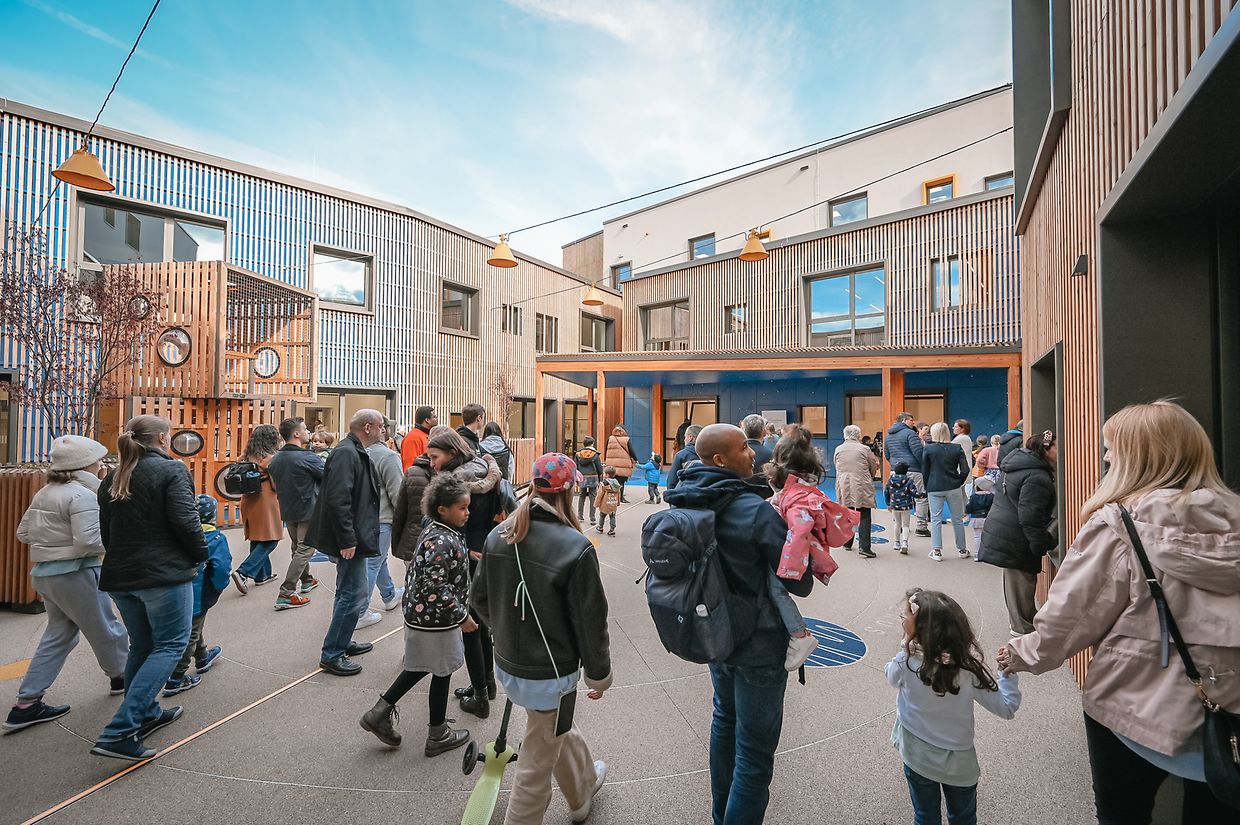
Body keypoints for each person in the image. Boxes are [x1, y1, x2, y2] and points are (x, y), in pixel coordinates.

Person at [998, 401, 1240, 823]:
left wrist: (1022, 654)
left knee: (1122, 814)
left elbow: (1071, 617)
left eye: (1111, 448)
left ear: (1138, 457)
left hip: (1132, 702)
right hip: (1231, 703)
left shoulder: (1118, 524)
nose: (1106, 458)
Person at [663, 424, 813, 824]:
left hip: (714, 634)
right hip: (759, 644)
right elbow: (798, 582)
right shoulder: (754, 510)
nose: (752, 453)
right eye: (744, 447)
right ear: (720, 459)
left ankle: (720, 815)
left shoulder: (684, 501)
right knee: (754, 754)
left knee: (724, 723)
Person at [471, 452, 611, 825]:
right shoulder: (576, 546)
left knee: (551, 725)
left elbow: (478, 600)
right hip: (551, 671)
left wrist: (505, 630)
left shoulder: (499, 534)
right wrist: (598, 674)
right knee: (535, 764)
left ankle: (582, 788)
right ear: (569, 492)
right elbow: (591, 622)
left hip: (509, 663)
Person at [90, 415, 208, 761]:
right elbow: (187, 521)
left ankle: (146, 712)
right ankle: (120, 730)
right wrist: (202, 555)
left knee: (142, 646)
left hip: (121, 575)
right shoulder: (172, 471)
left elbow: (107, 532)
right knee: (170, 645)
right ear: (162, 438)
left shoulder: (112, 478)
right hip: (164, 575)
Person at [5, 436, 127, 732]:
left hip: (46, 574)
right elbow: (89, 542)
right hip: (77, 573)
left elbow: (23, 533)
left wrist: (52, 546)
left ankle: (26, 704)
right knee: (107, 629)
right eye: (97, 460)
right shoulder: (83, 495)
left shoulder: (45, 492)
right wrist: (121, 544)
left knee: (60, 636)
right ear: (85, 464)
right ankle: (124, 678)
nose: (101, 465)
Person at [360, 473, 473, 755]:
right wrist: (461, 616)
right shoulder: (442, 540)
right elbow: (435, 585)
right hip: (436, 619)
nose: (467, 512)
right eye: (462, 508)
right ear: (442, 510)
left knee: (422, 666)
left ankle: (379, 712)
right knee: (442, 670)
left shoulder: (438, 530)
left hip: (423, 615)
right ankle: (438, 734)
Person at [888, 588, 1020, 825]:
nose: (903, 619)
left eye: (905, 616)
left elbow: (890, 676)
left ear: (918, 631)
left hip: (917, 756)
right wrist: (1007, 674)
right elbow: (1006, 707)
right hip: (959, 765)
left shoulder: (906, 662)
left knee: (925, 816)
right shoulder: (967, 670)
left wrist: (906, 646)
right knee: (963, 818)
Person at [767, 426, 856, 670]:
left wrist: (790, 570)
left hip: (794, 556)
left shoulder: (797, 499)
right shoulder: (802, 488)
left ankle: (800, 635)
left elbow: (799, 533)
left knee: (775, 589)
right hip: (803, 548)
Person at [307, 409, 384, 677]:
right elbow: (338, 499)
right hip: (351, 538)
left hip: (353, 535)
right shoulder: (346, 452)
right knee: (353, 593)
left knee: (348, 592)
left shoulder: (351, 450)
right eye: (380, 426)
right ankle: (333, 653)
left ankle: (342, 641)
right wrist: (347, 538)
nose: (383, 431)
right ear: (367, 427)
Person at [979, 431, 1058, 635]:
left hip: (1006, 532)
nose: (1062, 451)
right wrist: (1040, 545)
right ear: (1045, 450)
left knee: (1014, 584)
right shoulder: (1037, 476)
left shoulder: (1018, 466)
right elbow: (1030, 517)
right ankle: (1023, 630)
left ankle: (1020, 624)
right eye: (1057, 447)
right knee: (1021, 586)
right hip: (1017, 537)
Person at [162, 495, 230, 695]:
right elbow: (222, 569)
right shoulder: (216, 539)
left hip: (175, 590)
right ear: (213, 516)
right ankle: (176, 677)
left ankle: (202, 656)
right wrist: (219, 586)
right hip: (199, 593)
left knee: (194, 625)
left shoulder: (179, 536)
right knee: (190, 632)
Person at [267, 416, 326, 610]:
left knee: (297, 547)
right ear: (297, 433)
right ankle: (286, 592)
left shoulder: (276, 459)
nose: (309, 432)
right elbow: (327, 476)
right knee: (305, 548)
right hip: (308, 508)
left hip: (287, 508)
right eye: (305, 429)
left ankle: (307, 579)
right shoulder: (307, 457)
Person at [360, 418, 406, 629]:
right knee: (373, 562)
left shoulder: (359, 452)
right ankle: (361, 611)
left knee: (377, 560)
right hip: (382, 518)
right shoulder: (388, 456)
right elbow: (397, 493)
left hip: (363, 517)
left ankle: (388, 594)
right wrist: (402, 519)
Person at [231, 424, 283, 592]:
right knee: (271, 539)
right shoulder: (271, 459)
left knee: (257, 537)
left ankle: (263, 575)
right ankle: (243, 572)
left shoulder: (245, 456)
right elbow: (276, 485)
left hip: (248, 500)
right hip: (266, 501)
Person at [922, 423, 972, 562]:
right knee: (957, 519)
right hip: (953, 486)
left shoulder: (928, 449)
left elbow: (925, 470)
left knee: (936, 520)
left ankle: (937, 551)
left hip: (934, 486)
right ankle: (962, 549)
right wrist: (959, 481)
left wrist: (927, 486)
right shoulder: (957, 448)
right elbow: (965, 469)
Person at [835, 424, 880, 558]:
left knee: (848, 513)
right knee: (864, 514)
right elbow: (873, 466)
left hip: (843, 483)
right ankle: (864, 547)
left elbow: (836, 465)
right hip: (861, 483)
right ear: (858, 435)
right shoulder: (864, 449)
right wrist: (870, 476)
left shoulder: (839, 449)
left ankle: (847, 542)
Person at [885, 412, 929, 538]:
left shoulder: (888, 436)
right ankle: (921, 527)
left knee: (896, 495)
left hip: (895, 470)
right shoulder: (910, 434)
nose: (913, 422)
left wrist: (895, 465)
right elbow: (918, 452)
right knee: (920, 498)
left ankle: (897, 524)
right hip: (913, 469)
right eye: (911, 420)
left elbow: (887, 455)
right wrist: (924, 466)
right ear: (904, 420)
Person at [885, 461, 918, 555]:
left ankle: (896, 543)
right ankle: (904, 543)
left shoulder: (890, 480)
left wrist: (888, 503)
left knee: (897, 523)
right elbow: (914, 493)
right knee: (906, 525)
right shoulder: (909, 480)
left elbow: (886, 492)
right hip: (906, 506)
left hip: (894, 505)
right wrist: (923, 494)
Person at [963, 476, 995, 564]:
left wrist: (966, 512)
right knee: (988, 536)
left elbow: (969, 507)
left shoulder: (974, 497)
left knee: (977, 536)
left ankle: (977, 554)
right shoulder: (992, 496)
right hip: (988, 519)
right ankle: (987, 554)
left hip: (976, 519)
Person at [574, 436, 604, 526]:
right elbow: (599, 469)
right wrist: (600, 477)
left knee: (581, 496)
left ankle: (580, 516)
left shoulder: (578, 454)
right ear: (592, 444)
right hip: (593, 477)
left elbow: (575, 467)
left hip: (582, 477)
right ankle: (592, 518)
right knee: (592, 497)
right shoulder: (595, 454)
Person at [604, 424, 637, 503]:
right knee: (621, 481)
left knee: (611, 480)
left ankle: (612, 497)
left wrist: (606, 459)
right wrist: (635, 459)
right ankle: (621, 498)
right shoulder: (626, 439)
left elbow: (606, 449)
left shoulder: (610, 438)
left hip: (611, 463)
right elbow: (631, 451)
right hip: (623, 464)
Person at [401, 405, 437, 471]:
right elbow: (409, 467)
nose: (437, 419)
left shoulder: (428, 435)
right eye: (434, 417)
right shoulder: (412, 438)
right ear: (427, 420)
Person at [666, 424, 701, 490]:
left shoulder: (681, 456)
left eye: (685, 437)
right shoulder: (710, 454)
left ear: (690, 437)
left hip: (686, 493)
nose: (684, 440)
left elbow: (672, 481)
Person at [595, 466, 622, 536]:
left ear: (607, 475)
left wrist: (596, 504)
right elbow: (619, 493)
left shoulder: (603, 484)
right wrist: (618, 503)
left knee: (602, 515)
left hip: (605, 504)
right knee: (612, 516)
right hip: (613, 503)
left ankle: (600, 528)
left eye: (604, 473)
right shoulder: (616, 483)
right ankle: (612, 530)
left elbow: (600, 494)